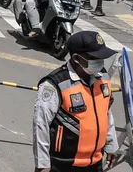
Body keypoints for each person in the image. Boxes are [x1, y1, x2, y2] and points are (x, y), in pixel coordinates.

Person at [33, 30, 118, 172]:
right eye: (94, 58)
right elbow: (40, 125)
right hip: (64, 164)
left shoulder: (102, 78)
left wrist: (111, 145)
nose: (100, 63)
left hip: (95, 163)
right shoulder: (55, 84)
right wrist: (42, 165)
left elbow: (106, 114)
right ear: (77, 58)